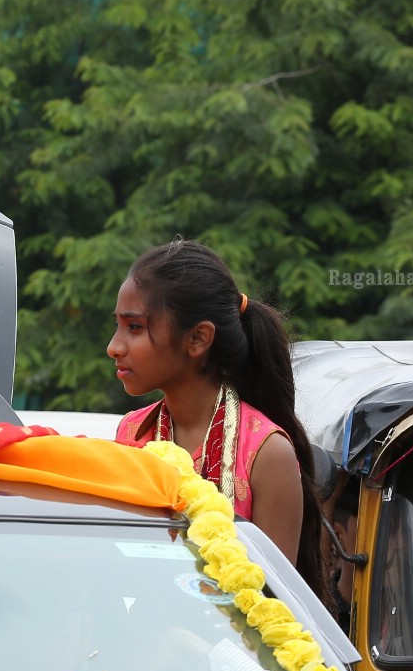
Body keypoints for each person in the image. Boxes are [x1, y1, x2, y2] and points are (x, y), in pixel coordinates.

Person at [108, 239, 327, 594]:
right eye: (118, 327)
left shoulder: (267, 453)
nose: (114, 347)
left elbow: (274, 603)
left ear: (197, 339)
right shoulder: (131, 433)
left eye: (134, 328)